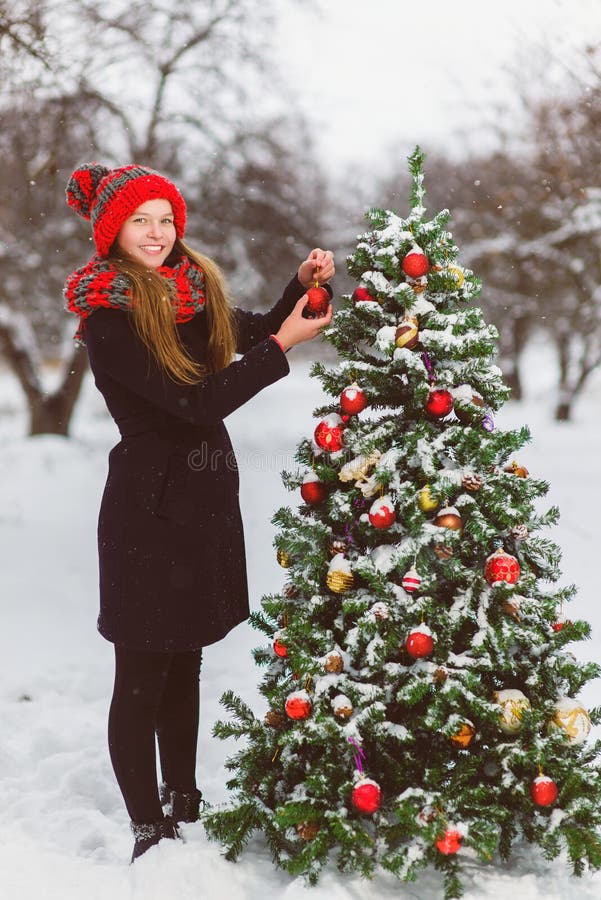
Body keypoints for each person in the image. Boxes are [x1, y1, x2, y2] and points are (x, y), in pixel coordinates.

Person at [63, 163, 334, 862]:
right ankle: (148, 826)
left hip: (204, 503)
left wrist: (296, 290)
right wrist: (281, 350)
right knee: (143, 671)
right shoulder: (109, 317)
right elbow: (194, 403)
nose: (156, 234)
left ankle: (185, 799)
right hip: (147, 512)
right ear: (112, 232)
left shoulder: (192, 293)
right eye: (139, 221)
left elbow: (256, 331)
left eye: (165, 219)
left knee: (185, 661)